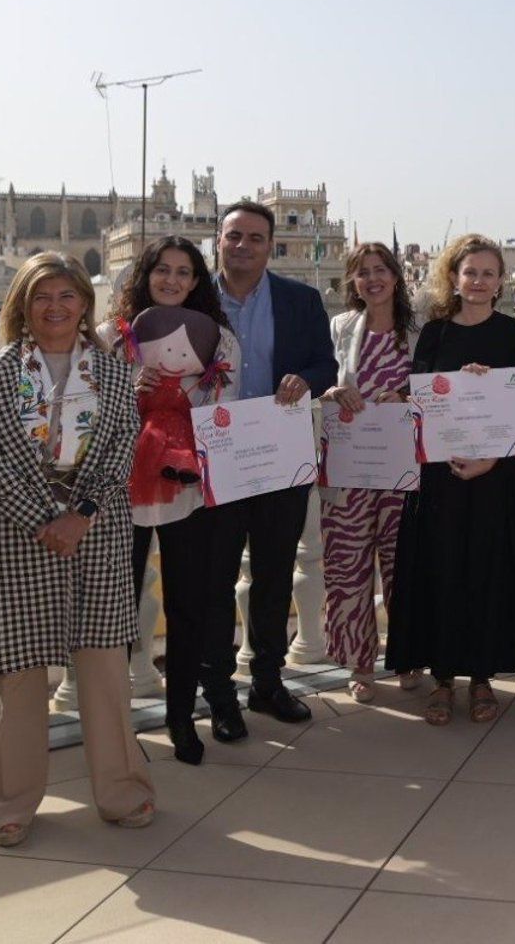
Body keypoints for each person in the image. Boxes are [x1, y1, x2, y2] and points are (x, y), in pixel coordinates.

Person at [0, 252, 154, 847]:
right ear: (22, 304)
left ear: (84, 306)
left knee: (102, 667)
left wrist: (80, 516)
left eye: (67, 296)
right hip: (11, 531)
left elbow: (121, 447)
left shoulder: (115, 373)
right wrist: (48, 519)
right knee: (15, 674)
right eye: (43, 296)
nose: (56, 308)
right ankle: (11, 802)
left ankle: (122, 791)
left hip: (94, 530)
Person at [385, 234, 515, 725]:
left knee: (487, 575)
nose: (478, 281)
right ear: (453, 277)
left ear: (500, 282)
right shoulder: (435, 334)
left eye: (488, 273)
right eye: (469, 272)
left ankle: (481, 678)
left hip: (495, 475)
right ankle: (443, 679)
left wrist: (492, 455)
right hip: (441, 476)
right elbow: (423, 399)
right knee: (442, 572)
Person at [101, 236, 240, 765]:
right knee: (116, 610)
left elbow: (226, 408)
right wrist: (131, 391)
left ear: (197, 281)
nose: (173, 280)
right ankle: (113, 724)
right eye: (163, 270)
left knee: (189, 608)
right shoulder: (112, 340)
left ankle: (181, 719)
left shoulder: (221, 341)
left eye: (185, 272)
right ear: (145, 275)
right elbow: (92, 412)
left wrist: (192, 394)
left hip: (189, 493)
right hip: (120, 494)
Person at [204, 200, 336, 739]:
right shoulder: (192, 300)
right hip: (214, 459)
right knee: (214, 580)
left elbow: (325, 365)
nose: (243, 246)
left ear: (270, 245)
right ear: (218, 240)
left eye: (255, 238)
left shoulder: (300, 300)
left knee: (275, 573)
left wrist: (304, 379)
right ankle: (218, 695)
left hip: (279, 457)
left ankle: (267, 681)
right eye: (234, 236)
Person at [320, 241, 419, 701]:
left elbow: (434, 392)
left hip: (403, 472)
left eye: (381, 270)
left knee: (405, 567)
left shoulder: (418, 330)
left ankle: (407, 654)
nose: (373, 279)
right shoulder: (341, 327)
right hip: (350, 472)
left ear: (396, 277)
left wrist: (406, 400)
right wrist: (335, 391)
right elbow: (324, 385)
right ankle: (360, 662)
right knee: (349, 567)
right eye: (363, 272)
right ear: (353, 282)